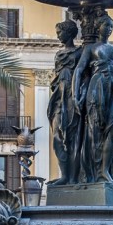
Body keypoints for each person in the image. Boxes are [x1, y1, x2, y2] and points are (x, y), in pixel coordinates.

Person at [72, 14, 113, 183]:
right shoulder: (90, 48)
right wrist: (75, 95)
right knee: (94, 132)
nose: (109, 29)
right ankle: (92, 172)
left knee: (112, 131)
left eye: (111, 27)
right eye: (106, 26)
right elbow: (78, 71)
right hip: (97, 88)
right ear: (98, 27)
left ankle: (105, 171)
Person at [48, 19, 82, 185]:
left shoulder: (80, 53)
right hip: (59, 98)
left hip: (73, 98)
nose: (58, 36)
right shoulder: (58, 54)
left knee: (74, 139)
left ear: (69, 33)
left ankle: (73, 177)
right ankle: (64, 175)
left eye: (60, 32)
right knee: (57, 137)